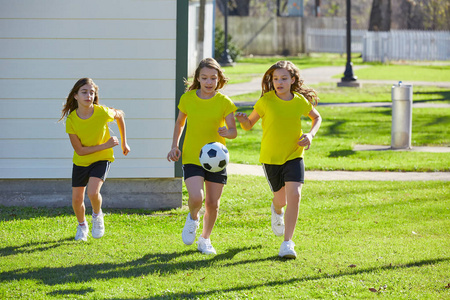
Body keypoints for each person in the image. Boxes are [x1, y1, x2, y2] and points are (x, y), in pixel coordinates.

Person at [235, 61, 322, 259]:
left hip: (294, 154)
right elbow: (249, 124)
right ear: (271, 81)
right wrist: (242, 120)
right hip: (271, 158)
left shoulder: (300, 101)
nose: (279, 82)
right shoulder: (266, 101)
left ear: (292, 80)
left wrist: (310, 135)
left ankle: (287, 243)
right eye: (275, 79)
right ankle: (276, 209)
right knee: (281, 199)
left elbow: (317, 118)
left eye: (284, 78)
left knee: (295, 195)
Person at [167, 58, 237, 255]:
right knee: (197, 197)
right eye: (204, 77)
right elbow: (180, 123)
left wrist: (226, 132)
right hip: (192, 156)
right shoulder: (188, 99)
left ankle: (205, 239)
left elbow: (233, 131)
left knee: (213, 203)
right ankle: (193, 217)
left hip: (217, 161)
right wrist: (174, 146)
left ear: (219, 79)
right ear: (197, 77)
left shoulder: (225, 103)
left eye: (213, 78)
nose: (208, 82)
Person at [59, 78, 130, 241]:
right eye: (84, 92)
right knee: (77, 200)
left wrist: (124, 142)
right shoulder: (71, 121)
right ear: (75, 96)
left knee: (93, 192)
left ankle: (97, 216)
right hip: (81, 161)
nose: (89, 95)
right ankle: (82, 226)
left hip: (102, 159)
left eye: (92, 92)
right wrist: (106, 144)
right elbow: (80, 151)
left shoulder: (102, 112)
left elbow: (119, 116)